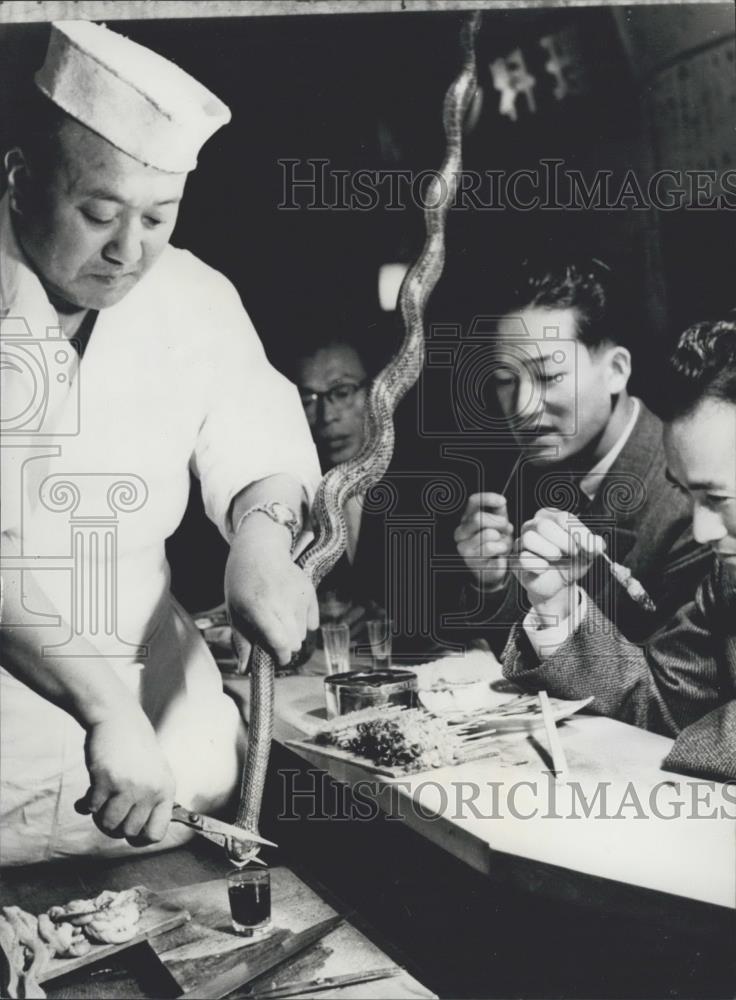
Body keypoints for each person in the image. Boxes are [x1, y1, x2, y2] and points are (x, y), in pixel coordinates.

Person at [0, 21, 320, 864]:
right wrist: (104, 711)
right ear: (21, 177)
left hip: (172, 767)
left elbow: (260, 438)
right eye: (98, 212)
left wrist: (261, 540)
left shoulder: (191, 294)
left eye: (158, 217)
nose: (127, 250)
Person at [502, 318, 736, 782]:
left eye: (718, 498)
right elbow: (660, 703)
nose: (702, 529)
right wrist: (557, 607)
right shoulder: (728, 579)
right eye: (687, 495)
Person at [452, 258, 711, 653]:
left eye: (548, 376)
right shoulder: (530, 476)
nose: (522, 406)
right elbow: (520, 663)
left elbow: (667, 692)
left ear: (616, 370)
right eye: (505, 381)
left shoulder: (692, 499)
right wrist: (493, 581)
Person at [293, 337, 381, 636]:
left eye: (341, 392)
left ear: (376, 391)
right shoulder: (293, 492)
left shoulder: (429, 481)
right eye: (308, 400)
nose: (326, 416)